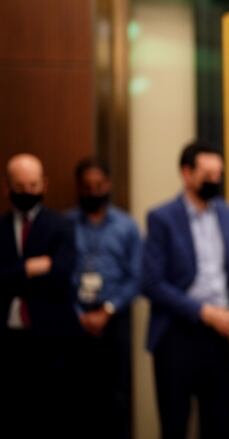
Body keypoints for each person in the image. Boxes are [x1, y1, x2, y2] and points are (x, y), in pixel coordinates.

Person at [142, 142, 229, 438]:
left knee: (219, 425)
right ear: (186, 173)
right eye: (206, 174)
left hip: (221, 336)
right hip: (176, 335)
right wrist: (204, 313)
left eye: (218, 174)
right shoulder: (162, 217)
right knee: (175, 425)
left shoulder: (227, 214)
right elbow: (152, 283)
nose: (214, 180)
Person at [0, 153, 80, 436]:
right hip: (9, 340)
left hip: (51, 338)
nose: (28, 193)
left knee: (52, 417)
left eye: (33, 186)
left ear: (44, 185)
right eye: (20, 187)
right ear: (7, 188)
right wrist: (30, 267)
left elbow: (60, 274)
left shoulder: (62, 225)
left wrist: (13, 274)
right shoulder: (1, 228)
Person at [66, 158, 141, 439]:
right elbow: (59, 275)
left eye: (99, 185)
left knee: (116, 397)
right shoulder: (65, 224)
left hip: (114, 319)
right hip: (75, 321)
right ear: (78, 188)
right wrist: (78, 314)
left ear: (108, 185)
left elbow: (136, 277)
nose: (93, 191)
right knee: (78, 398)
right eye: (87, 187)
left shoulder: (126, 226)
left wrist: (107, 310)